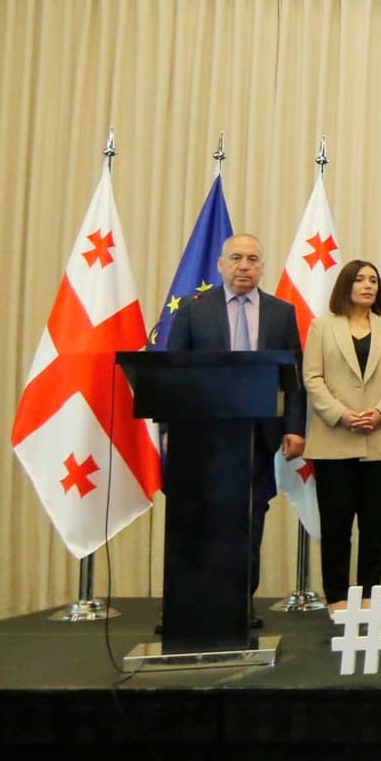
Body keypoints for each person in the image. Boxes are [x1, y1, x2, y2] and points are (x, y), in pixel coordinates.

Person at [165, 233, 307, 614]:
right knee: (204, 521)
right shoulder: (193, 310)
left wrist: (294, 427)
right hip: (202, 439)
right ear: (220, 265)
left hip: (257, 438)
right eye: (236, 258)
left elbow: (293, 378)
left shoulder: (281, 313)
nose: (244, 266)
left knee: (250, 521)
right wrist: (170, 430)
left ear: (262, 267)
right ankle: (200, 606)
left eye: (253, 259)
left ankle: (240, 606)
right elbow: (173, 374)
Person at [302, 259, 381, 611]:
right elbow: (312, 378)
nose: (368, 285)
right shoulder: (322, 327)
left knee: (375, 525)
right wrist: (341, 414)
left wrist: (380, 413)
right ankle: (336, 597)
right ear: (346, 285)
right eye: (360, 279)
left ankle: (369, 596)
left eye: (373, 281)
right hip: (334, 438)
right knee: (336, 525)